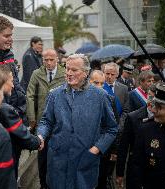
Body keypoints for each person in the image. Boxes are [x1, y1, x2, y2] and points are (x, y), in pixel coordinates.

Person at [37, 54, 118, 189]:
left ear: (86, 73)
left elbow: (111, 129)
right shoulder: (55, 94)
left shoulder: (100, 96)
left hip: (85, 162)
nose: (69, 73)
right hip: (58, 162)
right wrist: (41, 135)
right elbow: (46, 121)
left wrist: (96, 149)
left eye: (74, 70)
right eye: (67, 69)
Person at [26, 49, 66, 189]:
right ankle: (43, 184)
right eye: (46, 60)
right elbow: (30, 95)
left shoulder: (64, 73)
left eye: (51, 60)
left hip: (60, 120)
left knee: (59, 153)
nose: (48, 63)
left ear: (57, 59)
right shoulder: (37, 73)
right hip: (42, 120)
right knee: (42, 154)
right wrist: (32, 118)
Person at [132, 82, 165, 189]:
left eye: (160, 107)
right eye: (154, 104)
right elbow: (137, 170)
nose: (153, 110)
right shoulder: (145, 131)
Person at [116, 85, 156, 189]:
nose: (152, 101)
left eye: (156, 98)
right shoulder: (133, 117)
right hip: (136, 170)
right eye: (150, 97)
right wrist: (120, 173)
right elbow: (123, 147)